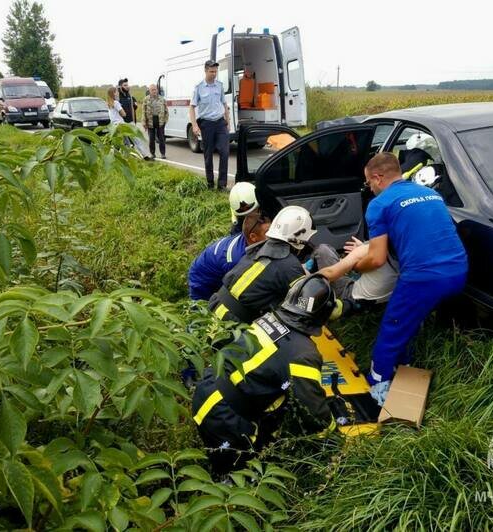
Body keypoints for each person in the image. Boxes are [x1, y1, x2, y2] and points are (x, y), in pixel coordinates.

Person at [321, 153, 467, 406]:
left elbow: (376, 260)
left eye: (368, 183)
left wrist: (356, 264)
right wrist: (366, 246)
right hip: (458, 270)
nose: (370, 188)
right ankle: (405, 363)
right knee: (410, 318)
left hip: (424, 277)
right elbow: (412, 236)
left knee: (391, 328)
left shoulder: (380, 204)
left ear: (377, 178)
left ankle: (377, 388)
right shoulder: (431, 194)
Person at [192, 274, 338, 474]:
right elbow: (311, 411)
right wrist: (334, 436)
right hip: (227, 418)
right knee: (239, 471)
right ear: (322, 317)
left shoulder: (267, 319)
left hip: (206, 390)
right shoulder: (303, 354)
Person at [208, 206, 314, 323]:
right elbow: (305, 303)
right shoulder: (290, 264)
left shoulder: (259, 247)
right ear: (301, 240)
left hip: (214, 306)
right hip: (234, 323)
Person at [188, 211, 271, 301]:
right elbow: (243, 291)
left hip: (214, 263)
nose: (273, 235)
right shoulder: (236, 260)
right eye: (268, 233)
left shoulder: (248, 236)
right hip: (202, 280)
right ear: (253, 237)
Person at [189, 60, 231, 190]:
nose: (214, 74)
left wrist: (228, 121)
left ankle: (222, 184)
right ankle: (210, 183)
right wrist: (195, 125)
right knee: (208, 154)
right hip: (206, 124)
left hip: (220, 123)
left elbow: (224, 104)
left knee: (224, 152)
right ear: (206, 71)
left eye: (215, 72)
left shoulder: (219, 85)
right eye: (211, 71)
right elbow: (192, 107)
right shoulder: (199, 87)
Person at [143, 84, 168, 159]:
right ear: (149, 91)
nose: (154, 91)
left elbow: (166, 111)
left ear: (157, 90)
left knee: (161, 138)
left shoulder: (162, 99)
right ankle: (152, 153)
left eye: (155, 89)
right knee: (151, 138)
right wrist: (144, 122)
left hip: (160, 120)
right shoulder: (146, 99)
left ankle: (163, 153)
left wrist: (165, 121)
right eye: (152, 90)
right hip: (150, 120)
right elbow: (143, 111)